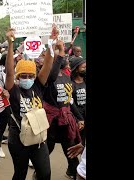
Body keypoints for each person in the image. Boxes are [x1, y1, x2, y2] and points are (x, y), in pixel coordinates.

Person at [4, 28, 55, 180]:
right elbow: (9, 72)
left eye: (30, 75)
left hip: (39, 137)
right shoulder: (13, 90)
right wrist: (10, 44)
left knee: (45, 173)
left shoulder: (38, 85)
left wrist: (50, 43)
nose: (27, 78)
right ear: (18, 77)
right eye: (23, 76)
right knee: (20, 174)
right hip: (18, 138)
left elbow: (47, 65)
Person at [42, 40, 84, 180]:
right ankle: (40, 173)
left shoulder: (67, 77)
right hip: (52, 123)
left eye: (66, 57)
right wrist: (58, 51)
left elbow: (69, 101)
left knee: (71, 149)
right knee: (48, 149)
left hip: (66, 121)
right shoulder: (48, 77)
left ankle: (73, 172)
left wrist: (79, 119)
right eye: (63, 57)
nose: (66, 58)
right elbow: (53, 75)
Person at [70, 57, 86, 144]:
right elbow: (71, 104)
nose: (85, 69)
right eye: (83, 67)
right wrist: (79, 119)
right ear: (76, 70)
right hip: (77, 119)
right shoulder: (71, 84)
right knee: (78, 143)